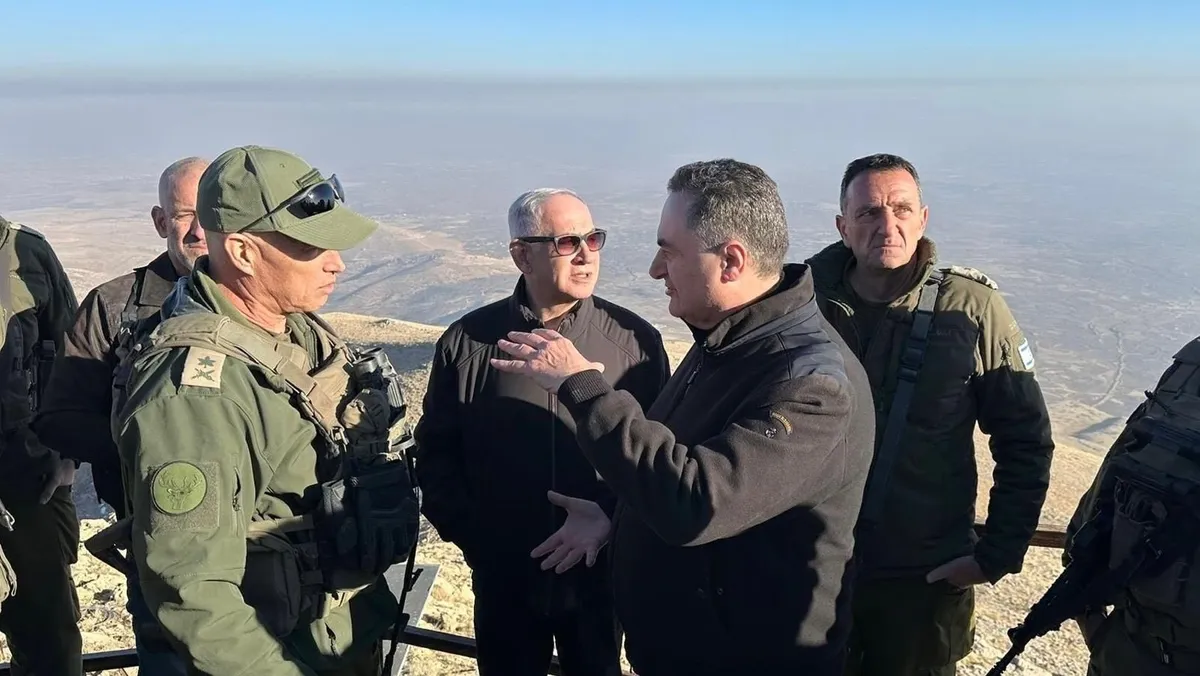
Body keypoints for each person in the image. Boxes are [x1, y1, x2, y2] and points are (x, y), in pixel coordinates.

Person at [490, 159, 876, 675]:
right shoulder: (728, 341)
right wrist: (614, 515)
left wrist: (580, 386)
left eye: (669, 252)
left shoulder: (810, 385)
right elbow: (677, 461)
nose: (655, 269)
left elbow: (696, 502)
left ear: (730, 261)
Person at [111, 145, 419, 674]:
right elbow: (196, 597)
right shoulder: (195, 396)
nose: (336, 262)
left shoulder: (294, 334)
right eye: (311, 246)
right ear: (243, 252)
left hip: (333, 640)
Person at [804, 153, 1056, 676]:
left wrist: (996, 553)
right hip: (809, 571)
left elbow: (1025, 439)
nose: (887, 225)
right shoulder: (802, 303)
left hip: (920, 583)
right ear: (843, 227)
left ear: (923, 219)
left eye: (901, 209)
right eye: (869, 212)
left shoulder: (970, 309)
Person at [413, 188, 669, 676]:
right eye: (567, 242)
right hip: (505, 583)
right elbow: (437, 454)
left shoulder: (636, 343)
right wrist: (482, 543)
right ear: (521, 255)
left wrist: (610, 521)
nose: (586, 255)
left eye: (593, 239)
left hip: (598, 581)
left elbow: (661, 456)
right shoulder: (467, 343)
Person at [34, 155, 209, 674]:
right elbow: (60, 416)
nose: (199, 231)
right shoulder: (115, 307)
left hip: (269, 544)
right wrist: (148, 445)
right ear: (160, 222)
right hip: (157, 541)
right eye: (184, 215)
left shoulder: (264, 301)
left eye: (210, 213)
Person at [1064, 334, 1200, 675]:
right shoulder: (1191, 364)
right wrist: (1098, 633)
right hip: (1129, 650)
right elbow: (1114, 483)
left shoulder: (1191, 364)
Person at [0, 212, 82, 675]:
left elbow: (71, 356)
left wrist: (65, 457)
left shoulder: (26, 252)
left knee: (50, 638)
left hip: (28, 477)